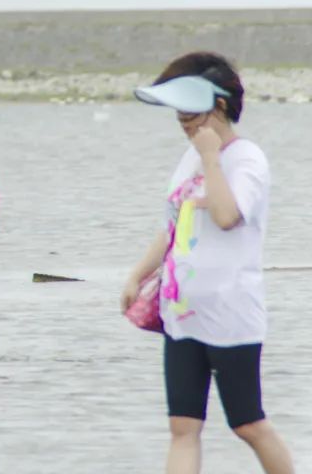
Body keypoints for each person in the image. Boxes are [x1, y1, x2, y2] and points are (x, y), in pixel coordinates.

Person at [121, 52, 294, 474]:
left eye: (191, 114)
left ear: (219, 105)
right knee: (183, 427)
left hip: (231, 313)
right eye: (179, 115)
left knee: (248, 423)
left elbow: (226, 215)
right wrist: (137, 274)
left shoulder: (247, 158)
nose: (184, 123)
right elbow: (174, 225)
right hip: (183, 313)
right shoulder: (189, 158)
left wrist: (213, 158)